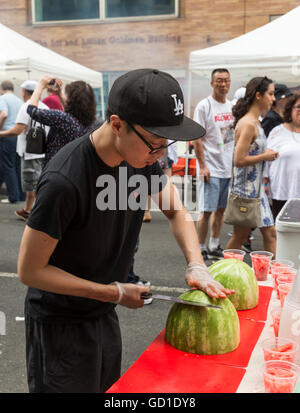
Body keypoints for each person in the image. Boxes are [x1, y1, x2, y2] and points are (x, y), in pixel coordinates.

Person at [17, 68, 235, 393]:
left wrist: (196, 264)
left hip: (103, 315)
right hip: (60, 323)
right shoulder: (65, 180)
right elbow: (30, 270)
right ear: (118, 124)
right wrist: (114, 292)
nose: (160, 156)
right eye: (155, 145)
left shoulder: (142, 162)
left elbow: (176, 211)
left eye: (166, 145)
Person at [225, 76, 279, 256]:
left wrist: (265, 154)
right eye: (270, 94)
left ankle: (269, 276)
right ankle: (222, 275)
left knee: (270, 234)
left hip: (256, 191)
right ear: (258, 95)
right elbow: (238, 160)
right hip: (246, 192)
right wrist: (265, 155)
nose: (273, 98)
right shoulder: (248, 124)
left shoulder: (255, 121)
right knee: (240, 236)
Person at [193, 68, 234, 261]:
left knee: (220, 211)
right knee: (206, 210)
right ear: (212, 83)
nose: (223, 84)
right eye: (219, 80)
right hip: (210, 167)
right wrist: (202, 166)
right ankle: (199, 247)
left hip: (227, 168)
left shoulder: (232, 107)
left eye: (226, 80)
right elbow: (197, 139)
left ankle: (214, 245)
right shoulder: (204, 106)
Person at [0, 80, 50, 221]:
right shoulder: (45, 107)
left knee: (31, 183)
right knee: (37, 180)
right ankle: (29, 209)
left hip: (30, 151)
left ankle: (29, 211)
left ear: (24, 92)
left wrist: (1, 133)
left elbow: (18, 130)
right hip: (43, 149)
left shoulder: (26, 106)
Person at [27, 76, 97, 167]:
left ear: (71, 99)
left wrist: (40, 85)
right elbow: (71, 110)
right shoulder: (90, 122)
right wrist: (59, 94)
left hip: (55, 168)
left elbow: (32, 110)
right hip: (75, 167)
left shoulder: (62, 118)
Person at [265, 93, 300, 220]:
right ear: (290, 109)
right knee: (282, 234)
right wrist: (264, 184)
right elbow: (266, 160)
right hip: (281, 194)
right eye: (298, 107)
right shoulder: (277, 132)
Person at [0, 80, 25, 204]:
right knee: (17, 166)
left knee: (8, 166)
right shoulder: (19, 101)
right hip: (18, 136)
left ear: (1, 88)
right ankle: (21, 195)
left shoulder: (3, 98)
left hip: (7, 135)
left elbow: (4, 114)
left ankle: (13, 196)